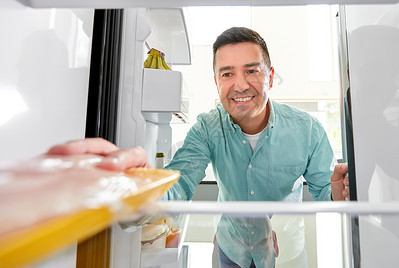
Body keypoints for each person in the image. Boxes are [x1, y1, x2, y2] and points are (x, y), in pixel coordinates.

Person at [47, 27, 349, 268]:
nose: (240, 84)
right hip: (231, 251)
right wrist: (133, 188)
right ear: (216, 81)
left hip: (286, 255)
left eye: (252, 71)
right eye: (227, 73)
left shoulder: (307, 130)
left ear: (270, 75)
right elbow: (179, 182)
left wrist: (340, 192)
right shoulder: (208, 127)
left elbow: (328, 195)